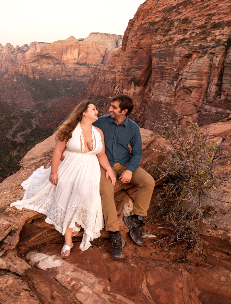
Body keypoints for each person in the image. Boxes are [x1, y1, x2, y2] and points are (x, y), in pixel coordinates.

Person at [11, 100, 116, 258]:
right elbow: (58, 150)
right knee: (66, 194)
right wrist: (53, 172)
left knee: (84, 193)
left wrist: (109, 169)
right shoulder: (70, 130)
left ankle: (75, 223)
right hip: (69, 167)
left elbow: (101, 154)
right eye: (93, 109)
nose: (97, 111)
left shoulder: (98, 132)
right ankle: (68, 241)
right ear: (84, 113)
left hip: (90, 168)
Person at [93, 94, 155, 259]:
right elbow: (81, 128)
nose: (110, 109)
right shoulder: (101, 122)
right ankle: (115, 234)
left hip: (124, 164)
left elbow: (137, 153)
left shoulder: (133, 128)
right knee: (106, 191)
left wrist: (129, 170)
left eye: (114, 107)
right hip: (103, 165)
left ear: (124, 111)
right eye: (111, 106)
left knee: (148, 182)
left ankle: (135, 220)